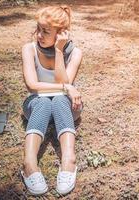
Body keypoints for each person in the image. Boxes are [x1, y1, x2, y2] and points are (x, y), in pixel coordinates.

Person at [20, 5, 83, 196]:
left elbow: (63, 80)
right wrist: (66, 88)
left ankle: (69, 161)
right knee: (45, 102)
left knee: (58, 101)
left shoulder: (75, 53)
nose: (39, 35)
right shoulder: (29, 49)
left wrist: (58, 51)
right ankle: (29, 164)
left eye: (46, 31)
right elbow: (32, 85)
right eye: (38, 29)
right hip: (37, 103)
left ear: (61, 33)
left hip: (65, 106)